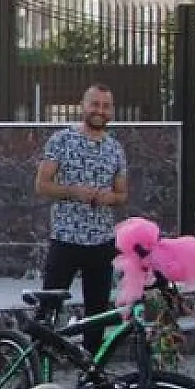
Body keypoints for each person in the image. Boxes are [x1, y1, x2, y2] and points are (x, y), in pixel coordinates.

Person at [35, 83, 127, 352]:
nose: (99, 110)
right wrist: (74, 192)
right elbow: (42, 185)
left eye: (105, 105)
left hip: (101, 242)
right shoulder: (61, 141)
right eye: (94, 104)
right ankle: (36, 369)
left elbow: (122, 194)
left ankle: (91, 378)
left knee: (97, 312)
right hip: (66, 239)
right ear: (83, 106)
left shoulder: (115, 149)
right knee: (49, 308)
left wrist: (109, 198)